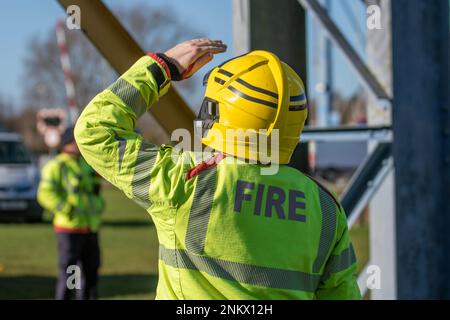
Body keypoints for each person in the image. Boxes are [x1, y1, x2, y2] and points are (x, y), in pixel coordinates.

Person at [74, 38, 361, 299]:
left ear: (214, 112)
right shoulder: (325, 209)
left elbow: (95, 132)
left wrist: (163, 67)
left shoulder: (186, 181)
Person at [37, 127, 104, 300]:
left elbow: (94, 191)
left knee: (91, 273)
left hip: (90, 227)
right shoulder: (56, 166)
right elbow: (45, 194)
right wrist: (67, 208)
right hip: (69, 229)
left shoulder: (86, 164)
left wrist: (99, 204)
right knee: (70, 273)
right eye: (77, 140)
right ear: (68, 142)